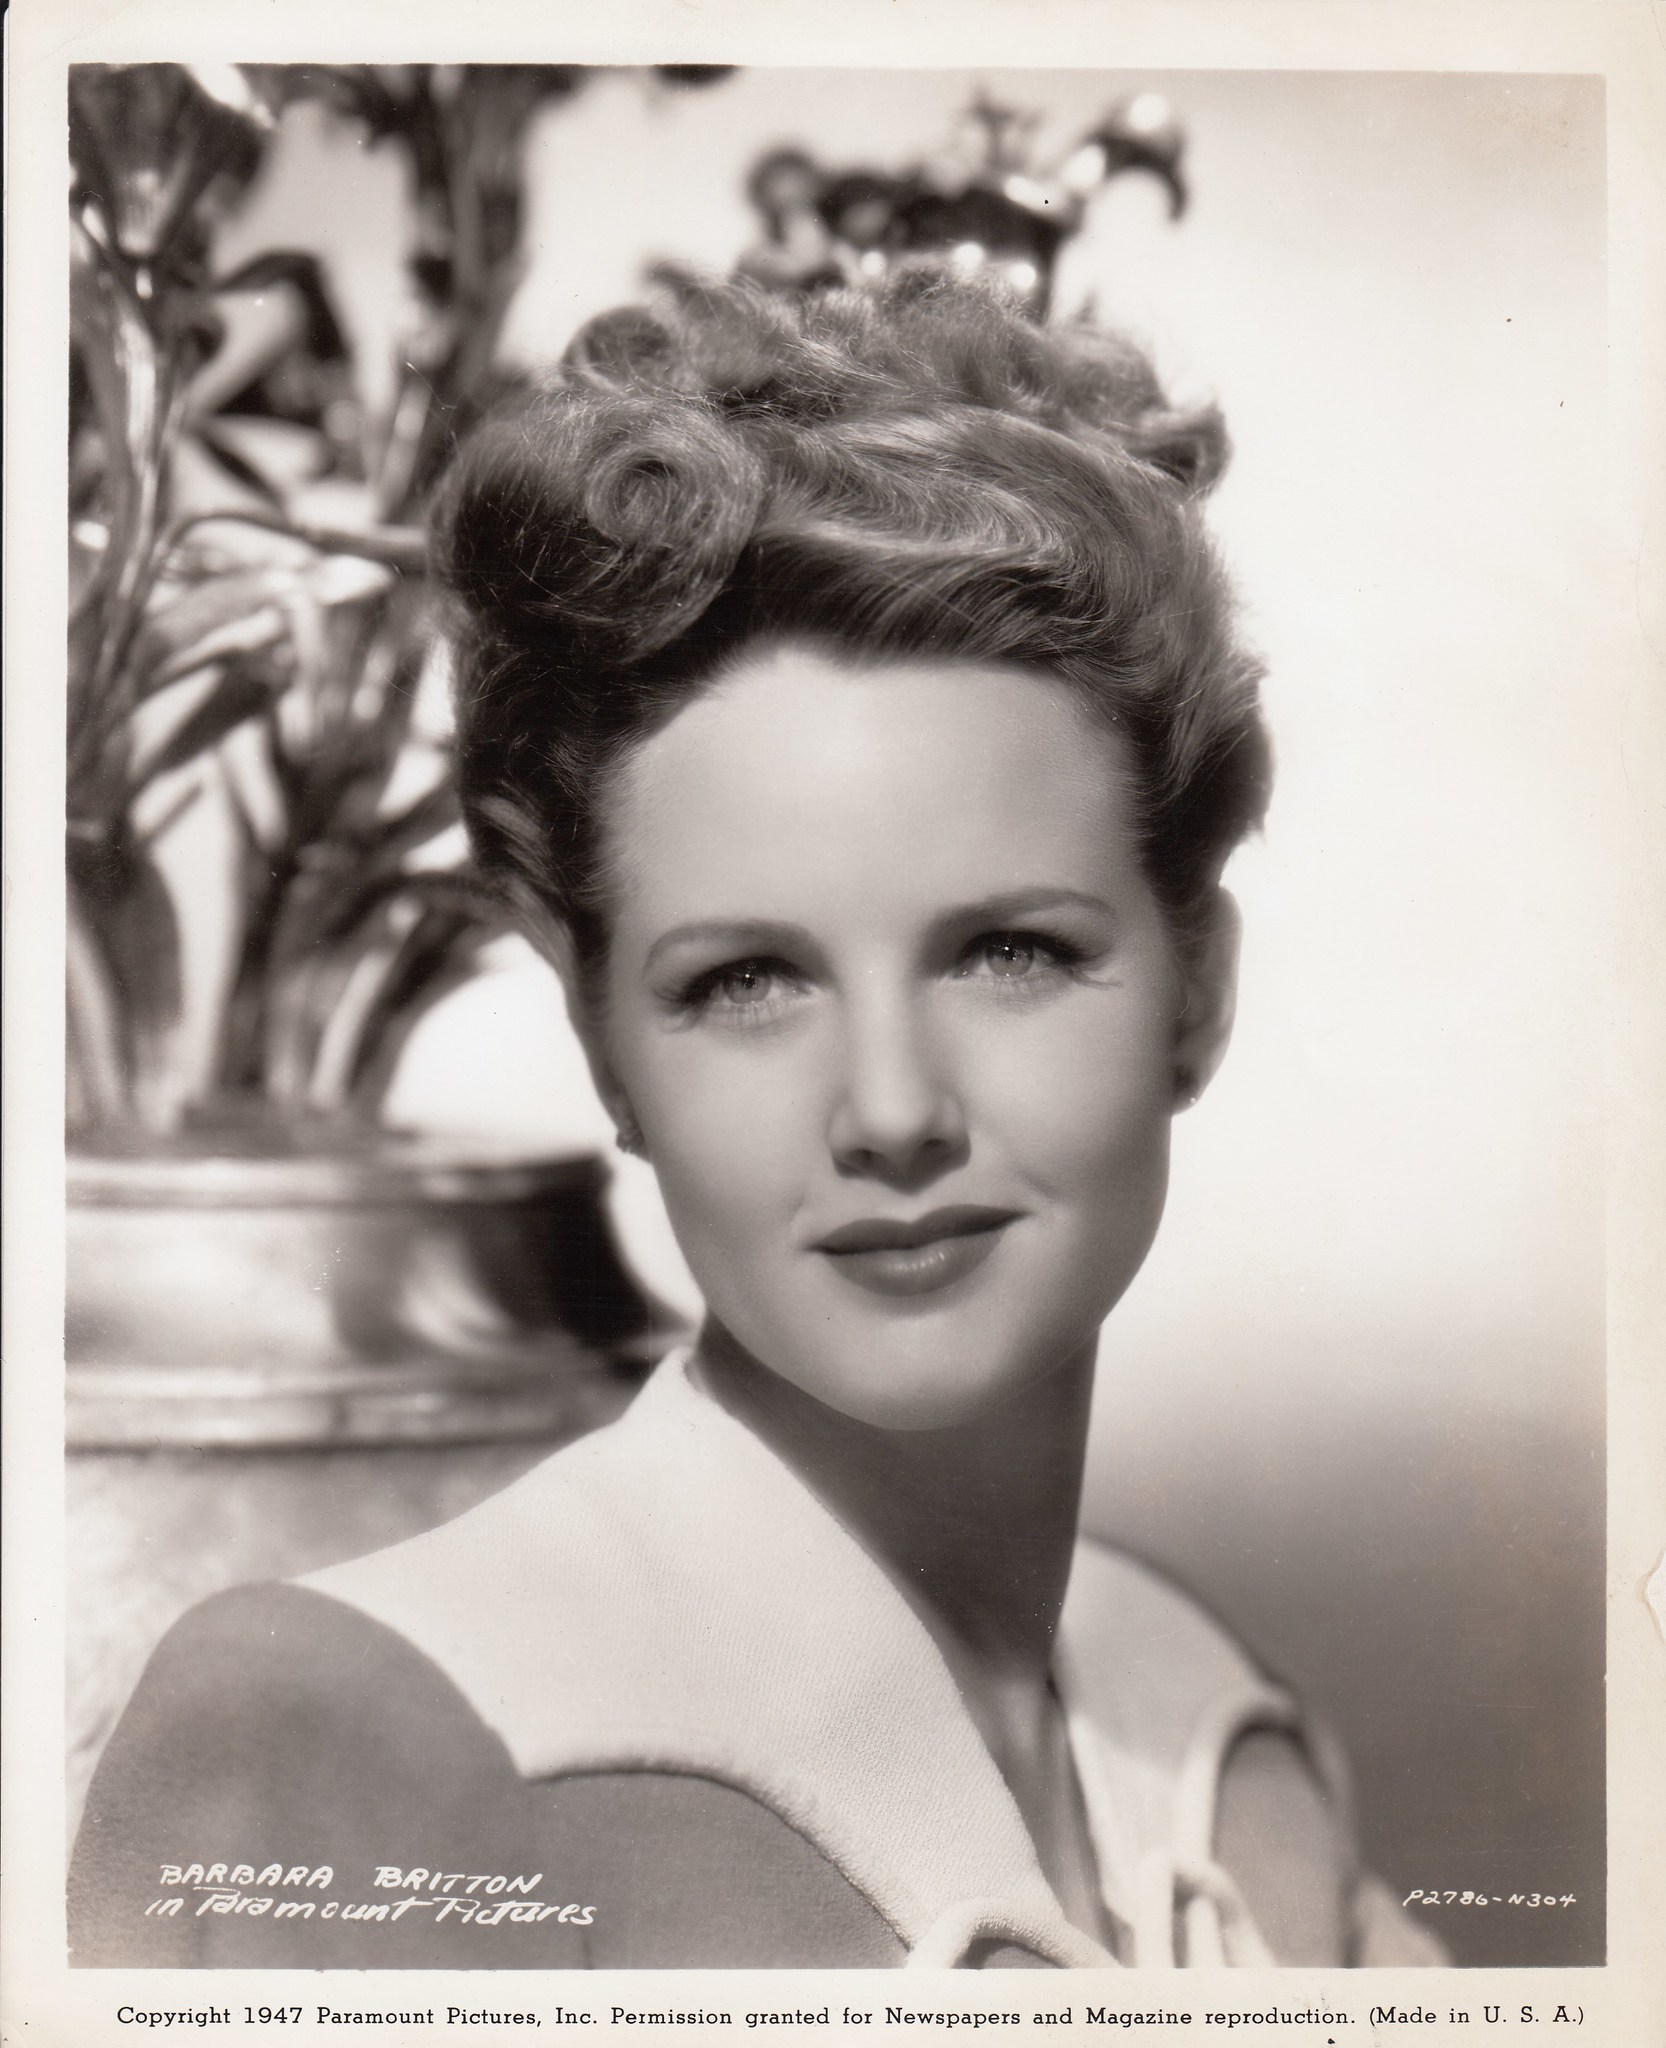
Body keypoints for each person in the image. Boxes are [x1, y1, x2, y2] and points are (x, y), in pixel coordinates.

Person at [70, 273, 1444, 1971]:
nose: (891, 1112)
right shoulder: (344, 1745)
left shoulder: (1217, 1741)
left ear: (1197, 991)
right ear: (604, 1049)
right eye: (744, 981)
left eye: (1008, 952)